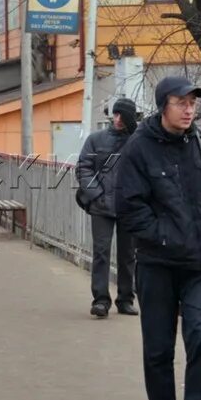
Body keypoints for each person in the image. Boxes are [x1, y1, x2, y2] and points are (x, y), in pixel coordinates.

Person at [114, 77, 201, 400]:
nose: (188, 110)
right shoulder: (139, 149)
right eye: (181, 103)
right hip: (158, 263)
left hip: (200, 262)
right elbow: (129, 207)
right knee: (158, 348)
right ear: (163, 105)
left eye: (192, 104)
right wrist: (161, 236)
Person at [76, 98, 141, 318]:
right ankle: (101, 301)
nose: (118, 119)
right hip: (102, 206)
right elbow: (83, 168)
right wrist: (97, 195)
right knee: (101, 253)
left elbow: (147, 170)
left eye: (123, 115)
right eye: (116, 114)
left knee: (128, 255)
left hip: (129, 206)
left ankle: (125, 299)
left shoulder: (138, 141)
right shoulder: (96, 140)